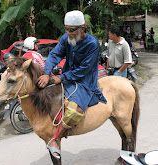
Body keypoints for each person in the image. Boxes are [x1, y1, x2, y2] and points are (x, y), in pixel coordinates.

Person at [37, 10, 106, 159]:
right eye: (66, 29)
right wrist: (46, 73)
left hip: (84, 80)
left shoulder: (92, 44)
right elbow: (55, 54)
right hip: (66, 76)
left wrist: (62, 77)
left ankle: (56, 137)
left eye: (72, 29)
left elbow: (84, 69)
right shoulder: (65, 39)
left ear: (82, 28)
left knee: (75, 109)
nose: (68, 32)